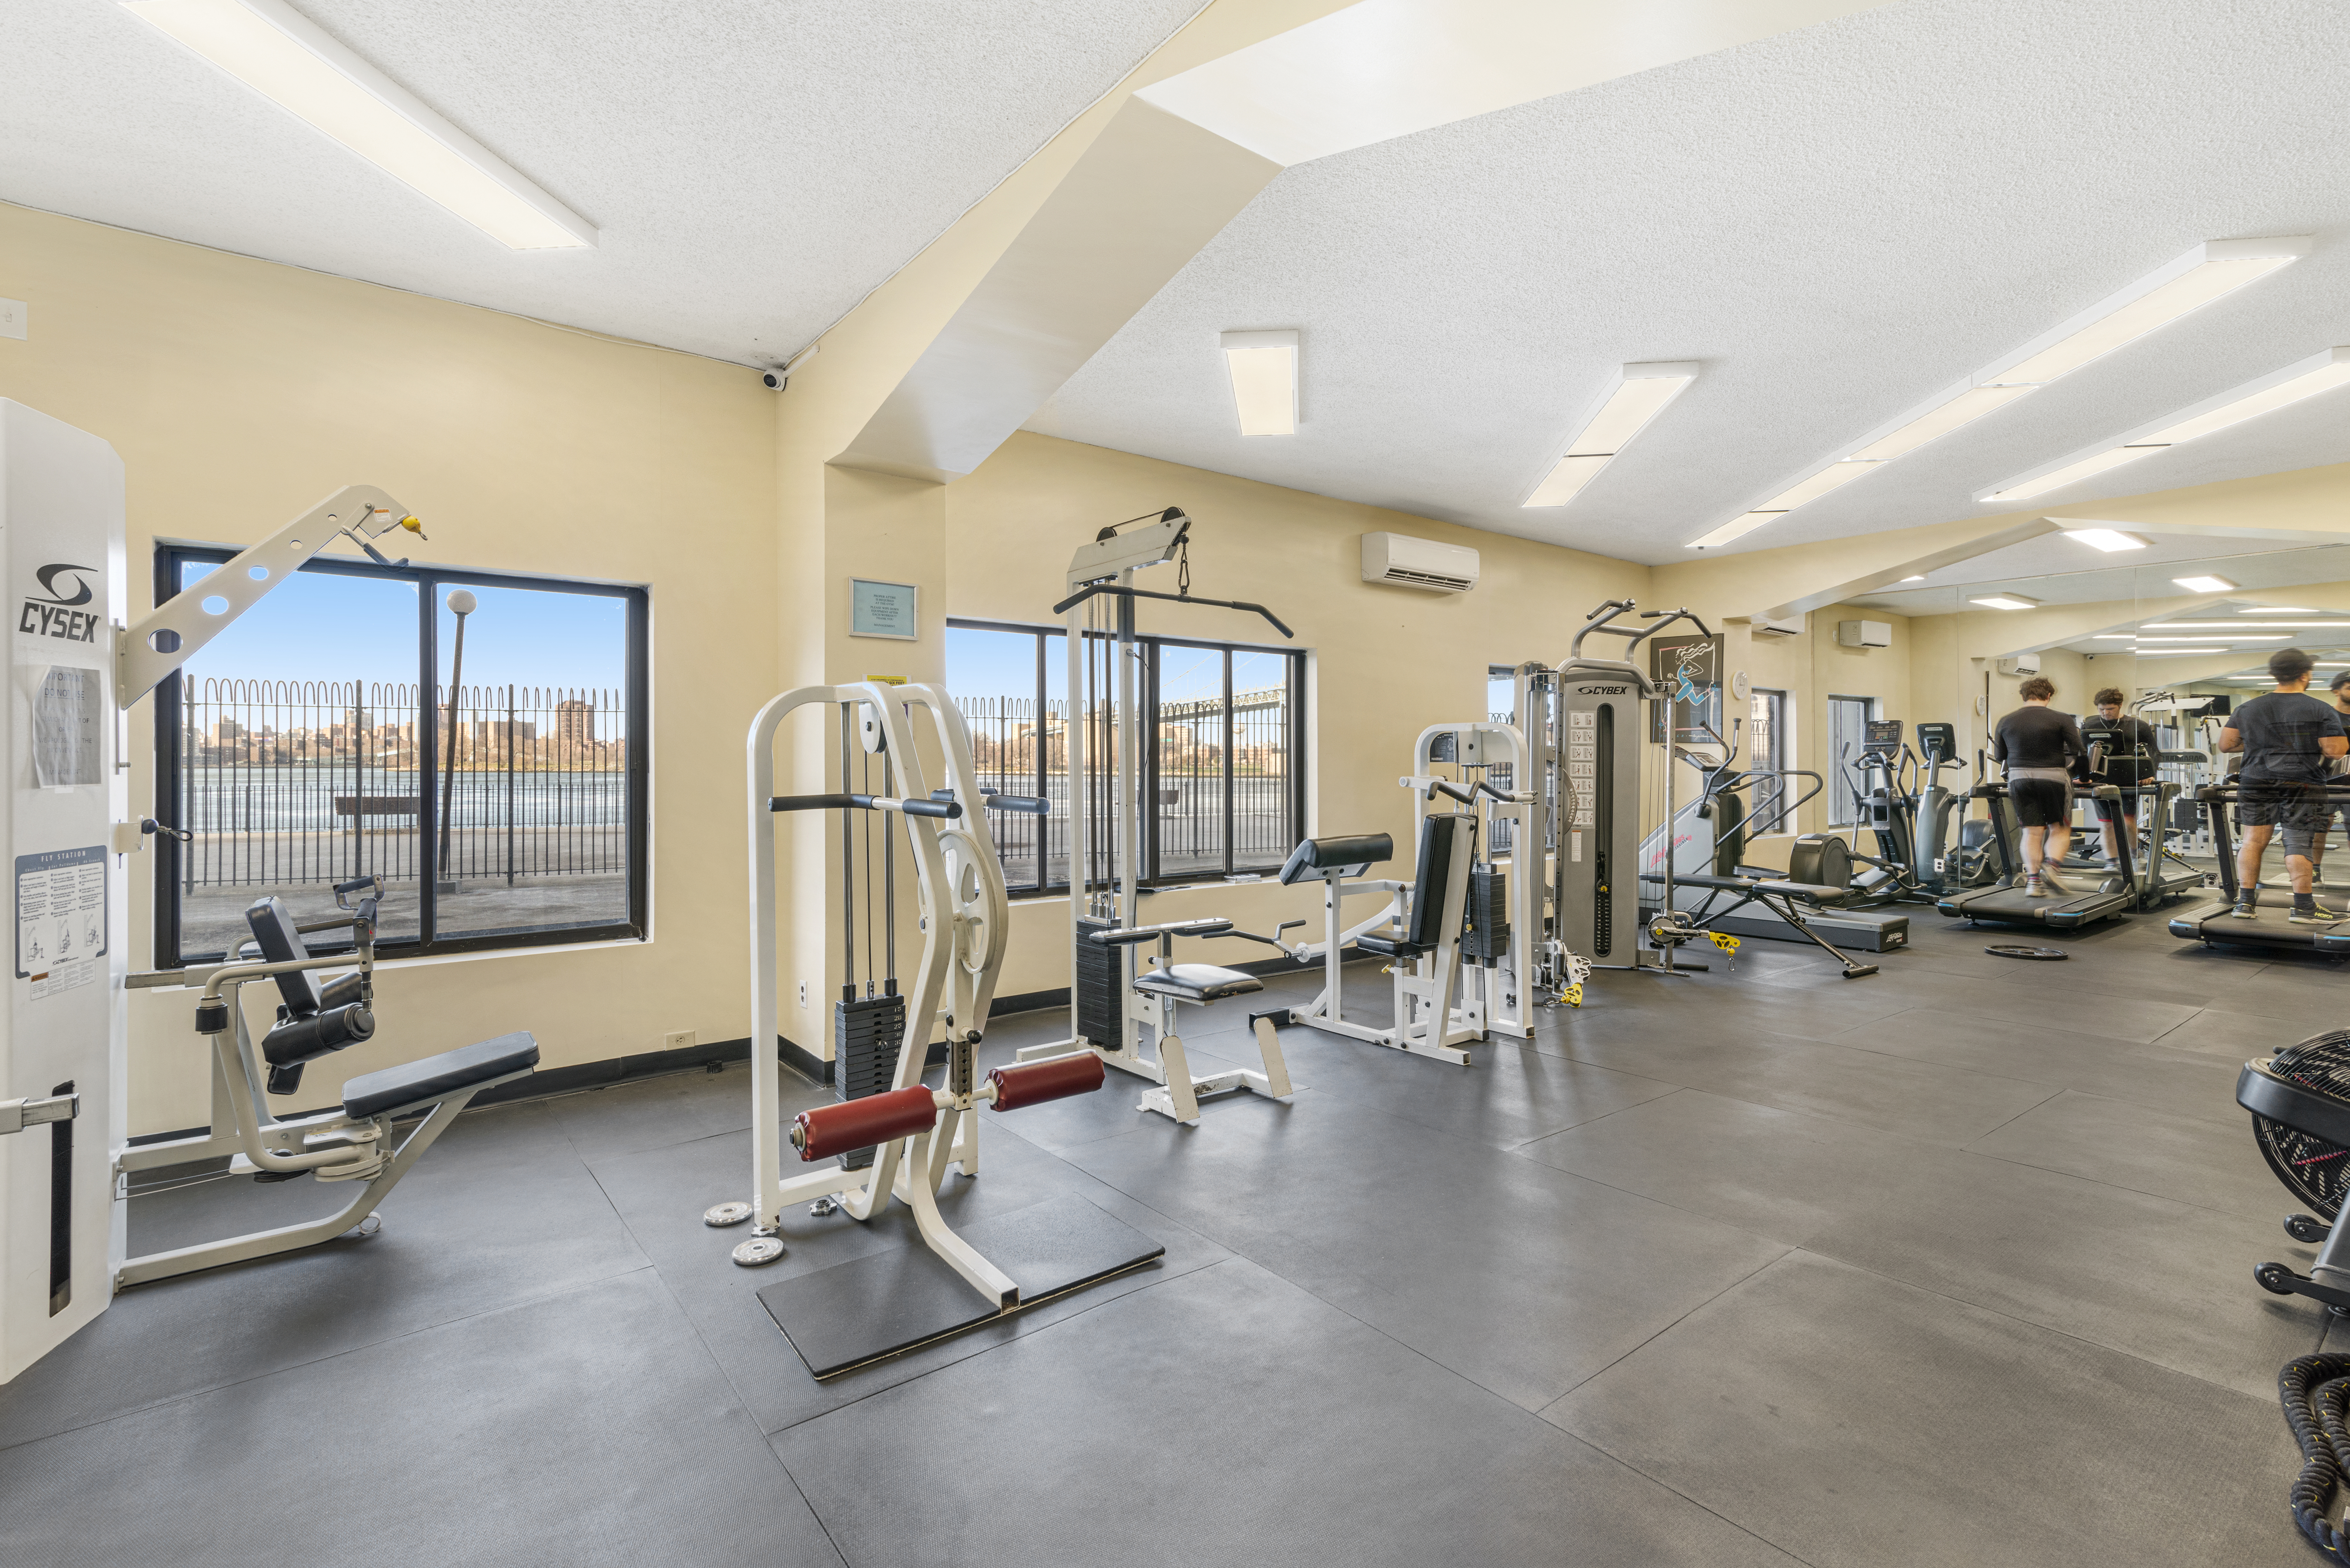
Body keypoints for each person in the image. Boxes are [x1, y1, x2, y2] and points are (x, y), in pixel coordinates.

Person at [2217, 647, 2348, 921]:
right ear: (2305, 675)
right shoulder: (2320, 708)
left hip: (2255, 780)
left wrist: (2260, 745)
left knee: (2252, 840)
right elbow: (2336, 750)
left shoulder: (2247, 707)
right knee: (2298, 841)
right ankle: (2304, 907)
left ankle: (2245, 904)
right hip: (2302, 782)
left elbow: (2227, 744)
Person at [1991, 675, 2086, 898]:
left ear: (2023, 696)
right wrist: (2085, 777)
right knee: (2059, 827)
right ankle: (2051, 867)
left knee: (2032, 832)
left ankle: (2033, 882)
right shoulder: (2062, 719)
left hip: (2019, 779)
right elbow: (2079, 751)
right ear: (2049, 696)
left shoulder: (2006, 720)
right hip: (2053, 777)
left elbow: (2000, 756)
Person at [2080, 686, 2160, 869]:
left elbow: (2155, 752)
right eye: (2102, 709)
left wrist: (2150, 773)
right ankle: (2112, 863)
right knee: (2107, 824)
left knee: (2127, 822)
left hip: (2129, 779)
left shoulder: (2137, 725)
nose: (2106, 713)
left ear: (2120, 706)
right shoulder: (2090, 725)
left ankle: (2134, 855)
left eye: (2110, 709)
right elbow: (2082, 752)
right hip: (2100, 780)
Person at [2302, 670, 2350, 886]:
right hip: (2327, 778)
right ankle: (2315, 871)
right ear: (2336, 691)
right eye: (2349, 687)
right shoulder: (2327, 716)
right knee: (2321, 827)